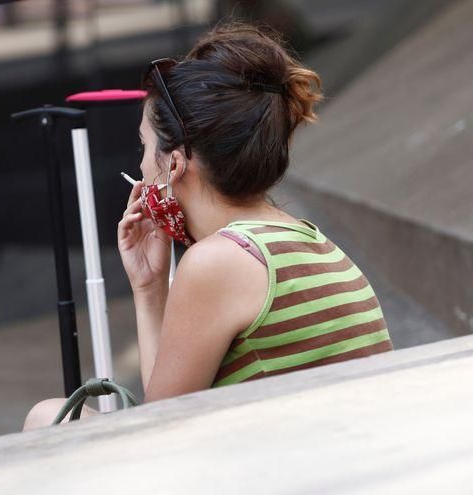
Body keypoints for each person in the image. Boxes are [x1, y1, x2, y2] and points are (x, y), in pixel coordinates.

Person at [22, 22, 393, 431]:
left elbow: (161, 428)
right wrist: (150, 287)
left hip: (296, 472)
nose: (143, 166)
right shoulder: (302, 237)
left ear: (175, 164)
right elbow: (169, 401)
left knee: (47, 418)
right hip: (338, 458)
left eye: (145, 147)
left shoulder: (218, 261)